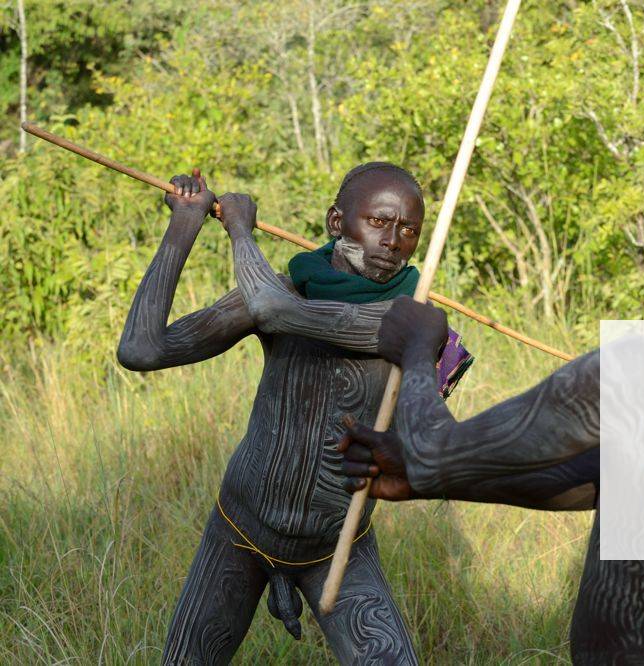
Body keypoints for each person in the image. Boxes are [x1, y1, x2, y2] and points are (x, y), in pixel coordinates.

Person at [336, 134, 644, 663]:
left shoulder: (632, 372)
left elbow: (432, 448)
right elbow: (611, 481)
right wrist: (431, 480)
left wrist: (416, 351)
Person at [117, 162, 470, 664]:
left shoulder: (405, 319)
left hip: (335, 547)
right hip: (239, 528)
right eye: (378, 221)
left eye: (409, 229)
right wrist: (184, 226)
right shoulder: (286, 285)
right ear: (336, 223)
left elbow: (272, 311)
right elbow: (141, 349)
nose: (393, 241)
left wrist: (240, 230)